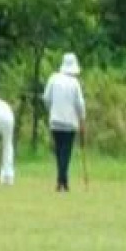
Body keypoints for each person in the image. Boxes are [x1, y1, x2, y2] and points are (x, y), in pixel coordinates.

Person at [43, 52, 86, 192]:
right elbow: (80, 104)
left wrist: (51, 109)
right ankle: (61, 180)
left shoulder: (53, 78)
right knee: (65, 153)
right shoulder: (75, 83)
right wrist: (82, 120)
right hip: (70, 122)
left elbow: (46, 98)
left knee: (59, 151)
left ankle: (63, 180)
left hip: (55, 120)